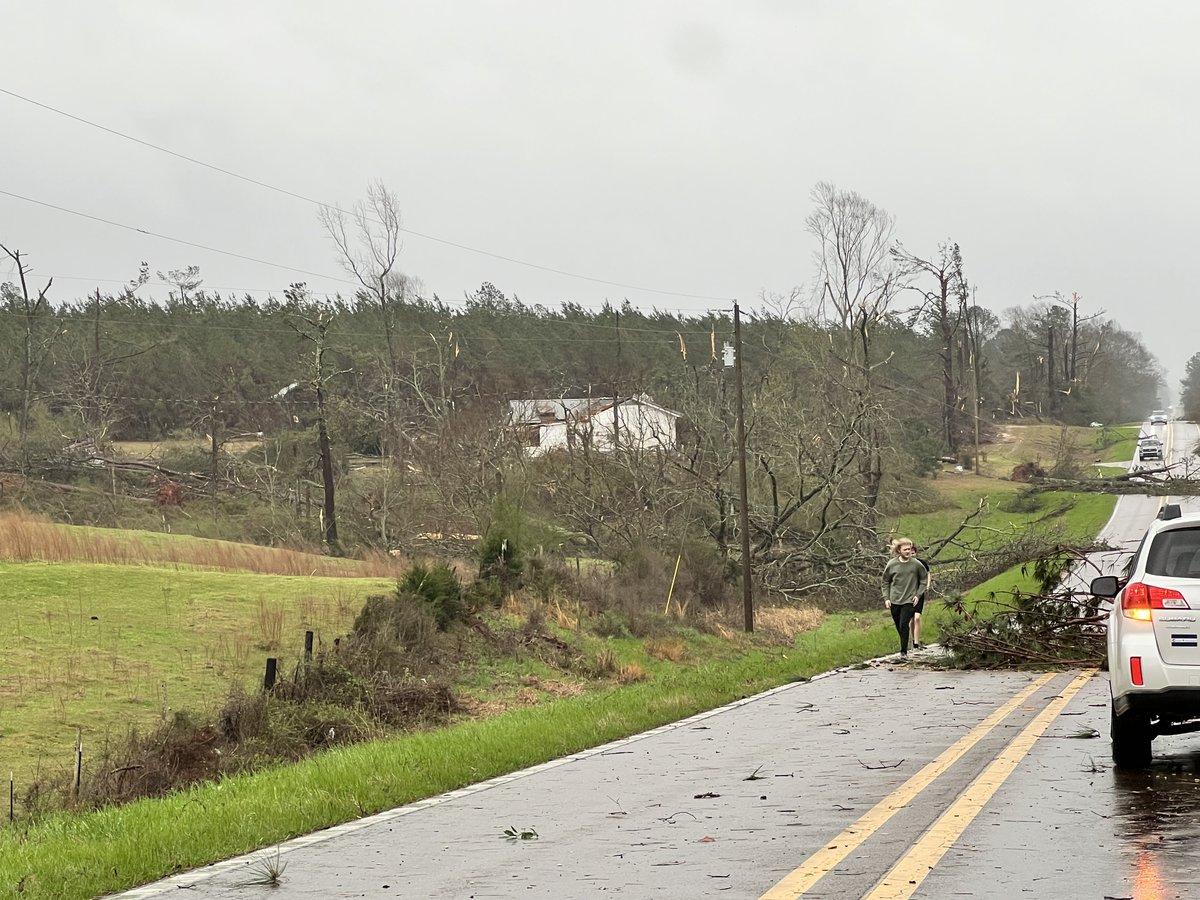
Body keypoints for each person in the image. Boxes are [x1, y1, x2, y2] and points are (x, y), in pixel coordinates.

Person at [882, 537, 928, 662]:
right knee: (899, 626)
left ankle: (903, 652)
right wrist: (886, 598)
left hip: (909, 600)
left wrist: (918, 595)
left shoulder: (916, 564)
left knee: (904, 624)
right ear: (899, 550)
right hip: (894, 599)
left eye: (909, 549)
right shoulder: (892, 564)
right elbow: (885, 581)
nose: (908, 551)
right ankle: (904, 643)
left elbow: (924, 579)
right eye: (905, 549)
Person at [910, 547, 931, 650]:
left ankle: (916, 643)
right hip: (908, 594)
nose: (911, 555)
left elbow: (928, 573)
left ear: (916, 553)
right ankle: (914, 641)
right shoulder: (904, 565)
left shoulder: (921, 563)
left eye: (913, 553)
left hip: (919, 593)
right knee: (911, 620)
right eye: (910, 553)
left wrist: (927, 585)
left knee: (917, 617)